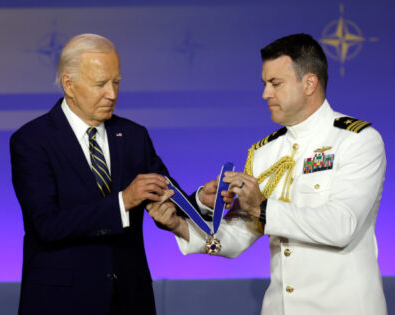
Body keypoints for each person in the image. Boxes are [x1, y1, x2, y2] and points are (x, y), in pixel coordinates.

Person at [147, 34, 388, 315]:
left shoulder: (357, 140)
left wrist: (261, 208)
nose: (265, 94)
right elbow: (236, 239)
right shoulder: (264, 153)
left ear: (309, 83)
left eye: (275, 83)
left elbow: (342, 227)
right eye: (264, 83)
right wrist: (181, 226)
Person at [10, 33, 219, 315]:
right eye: (100, 84)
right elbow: (45, 225)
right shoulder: (32, 141)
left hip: (130, 300)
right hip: (61, 303)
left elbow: (168, 198)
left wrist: (200, 200)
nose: (112, 94)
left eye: (116, 82)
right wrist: (122, 202)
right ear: (69, 85)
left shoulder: (134, 136)